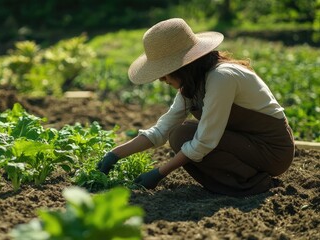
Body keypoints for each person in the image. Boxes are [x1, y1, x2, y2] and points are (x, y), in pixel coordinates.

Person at [96, 18, 295, 197]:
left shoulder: (222, 77)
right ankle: (242, 178)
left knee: (183, 135)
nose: (161, 79)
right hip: (244, 144)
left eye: (165, 72)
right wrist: (114, 155)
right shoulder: (193, 85)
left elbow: (206, 140)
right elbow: (161, 130)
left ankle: (252, 183)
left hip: (271, 150)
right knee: (178, 133)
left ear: (183, 66)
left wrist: (159, 173)